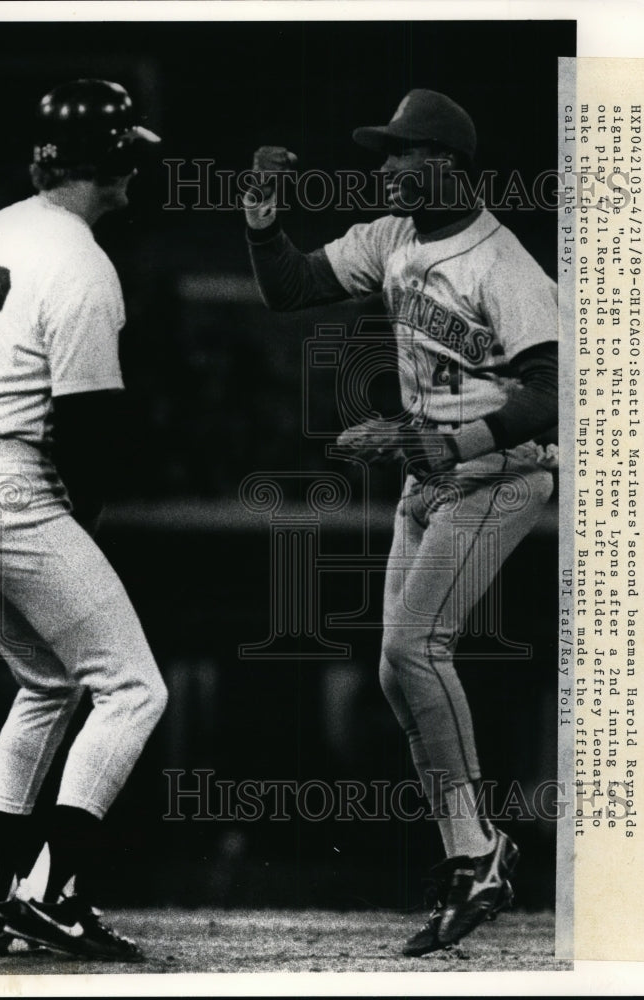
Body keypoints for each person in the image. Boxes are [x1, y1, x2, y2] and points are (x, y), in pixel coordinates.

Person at [244, 89, 558, 956]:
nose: (382, 167)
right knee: (395, 667)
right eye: (382, 153)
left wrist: (442, 439)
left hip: (502, 472)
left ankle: (482, 855)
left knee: (416, 650)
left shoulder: (504, 263)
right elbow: (293, 288)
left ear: (446, 163)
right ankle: (471, 854)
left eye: (399, 154)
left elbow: (553, 391)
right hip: (433, 476)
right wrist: (264, 225)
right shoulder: (391, 234)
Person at [0, 79, 168, 962]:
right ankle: (51, 893)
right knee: (134, 689)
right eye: (132, 153)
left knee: (47, 685)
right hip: (15, 487)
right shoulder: (84, 265)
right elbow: (93, 431)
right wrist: (70, 521)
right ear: (115, 164)